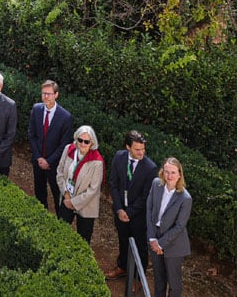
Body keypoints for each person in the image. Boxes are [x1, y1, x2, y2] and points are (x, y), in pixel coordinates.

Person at [107, 130, 160, 282]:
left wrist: (128, 212)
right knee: (123, 240)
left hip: (138, 216)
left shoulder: (150, 168)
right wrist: (118, 209)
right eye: (137, 149)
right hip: (120, 211)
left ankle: (138, 277)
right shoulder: (119, 157)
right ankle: (122, 266)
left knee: (140, 247)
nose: (141, 152)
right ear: (128, 147)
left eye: (143, 149)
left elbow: (145, 197)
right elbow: (114, 184)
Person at [147, 157, 192, 297]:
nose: (169, 176)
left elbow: (179, 226)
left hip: (174, 245)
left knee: (174, 283)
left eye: (173, 172)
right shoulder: (156, 184)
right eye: (166, 172)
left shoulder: (185, 198)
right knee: (159, 279)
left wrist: (160, 244)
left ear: (179, 174)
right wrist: (152, 238)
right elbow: (149, 210)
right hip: (155, 238)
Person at [28, 80, 75, 213]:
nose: (46, 97)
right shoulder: (36, 109)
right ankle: (41, 215)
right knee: (39, 191)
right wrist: (38, 158)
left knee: (57, 195)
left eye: (49, 94)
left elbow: (64, 145)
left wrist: (49, 161)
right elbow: (31, 135)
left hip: (55, 165)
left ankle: (59, 222)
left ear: (56, 95)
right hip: (38, 161)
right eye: (44, 93)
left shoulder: (66, 117)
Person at [56, 124, 104, 243]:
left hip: (86, 206)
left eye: (86, 142)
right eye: (80, 140)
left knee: (83, 240)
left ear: (92, 143)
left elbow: (93, 190)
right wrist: (66, 193)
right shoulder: (68, 149)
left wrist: (73, 202)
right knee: (60, 233)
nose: (83, 144)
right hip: (66, 199)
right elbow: (60, 172)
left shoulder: (97, 162)